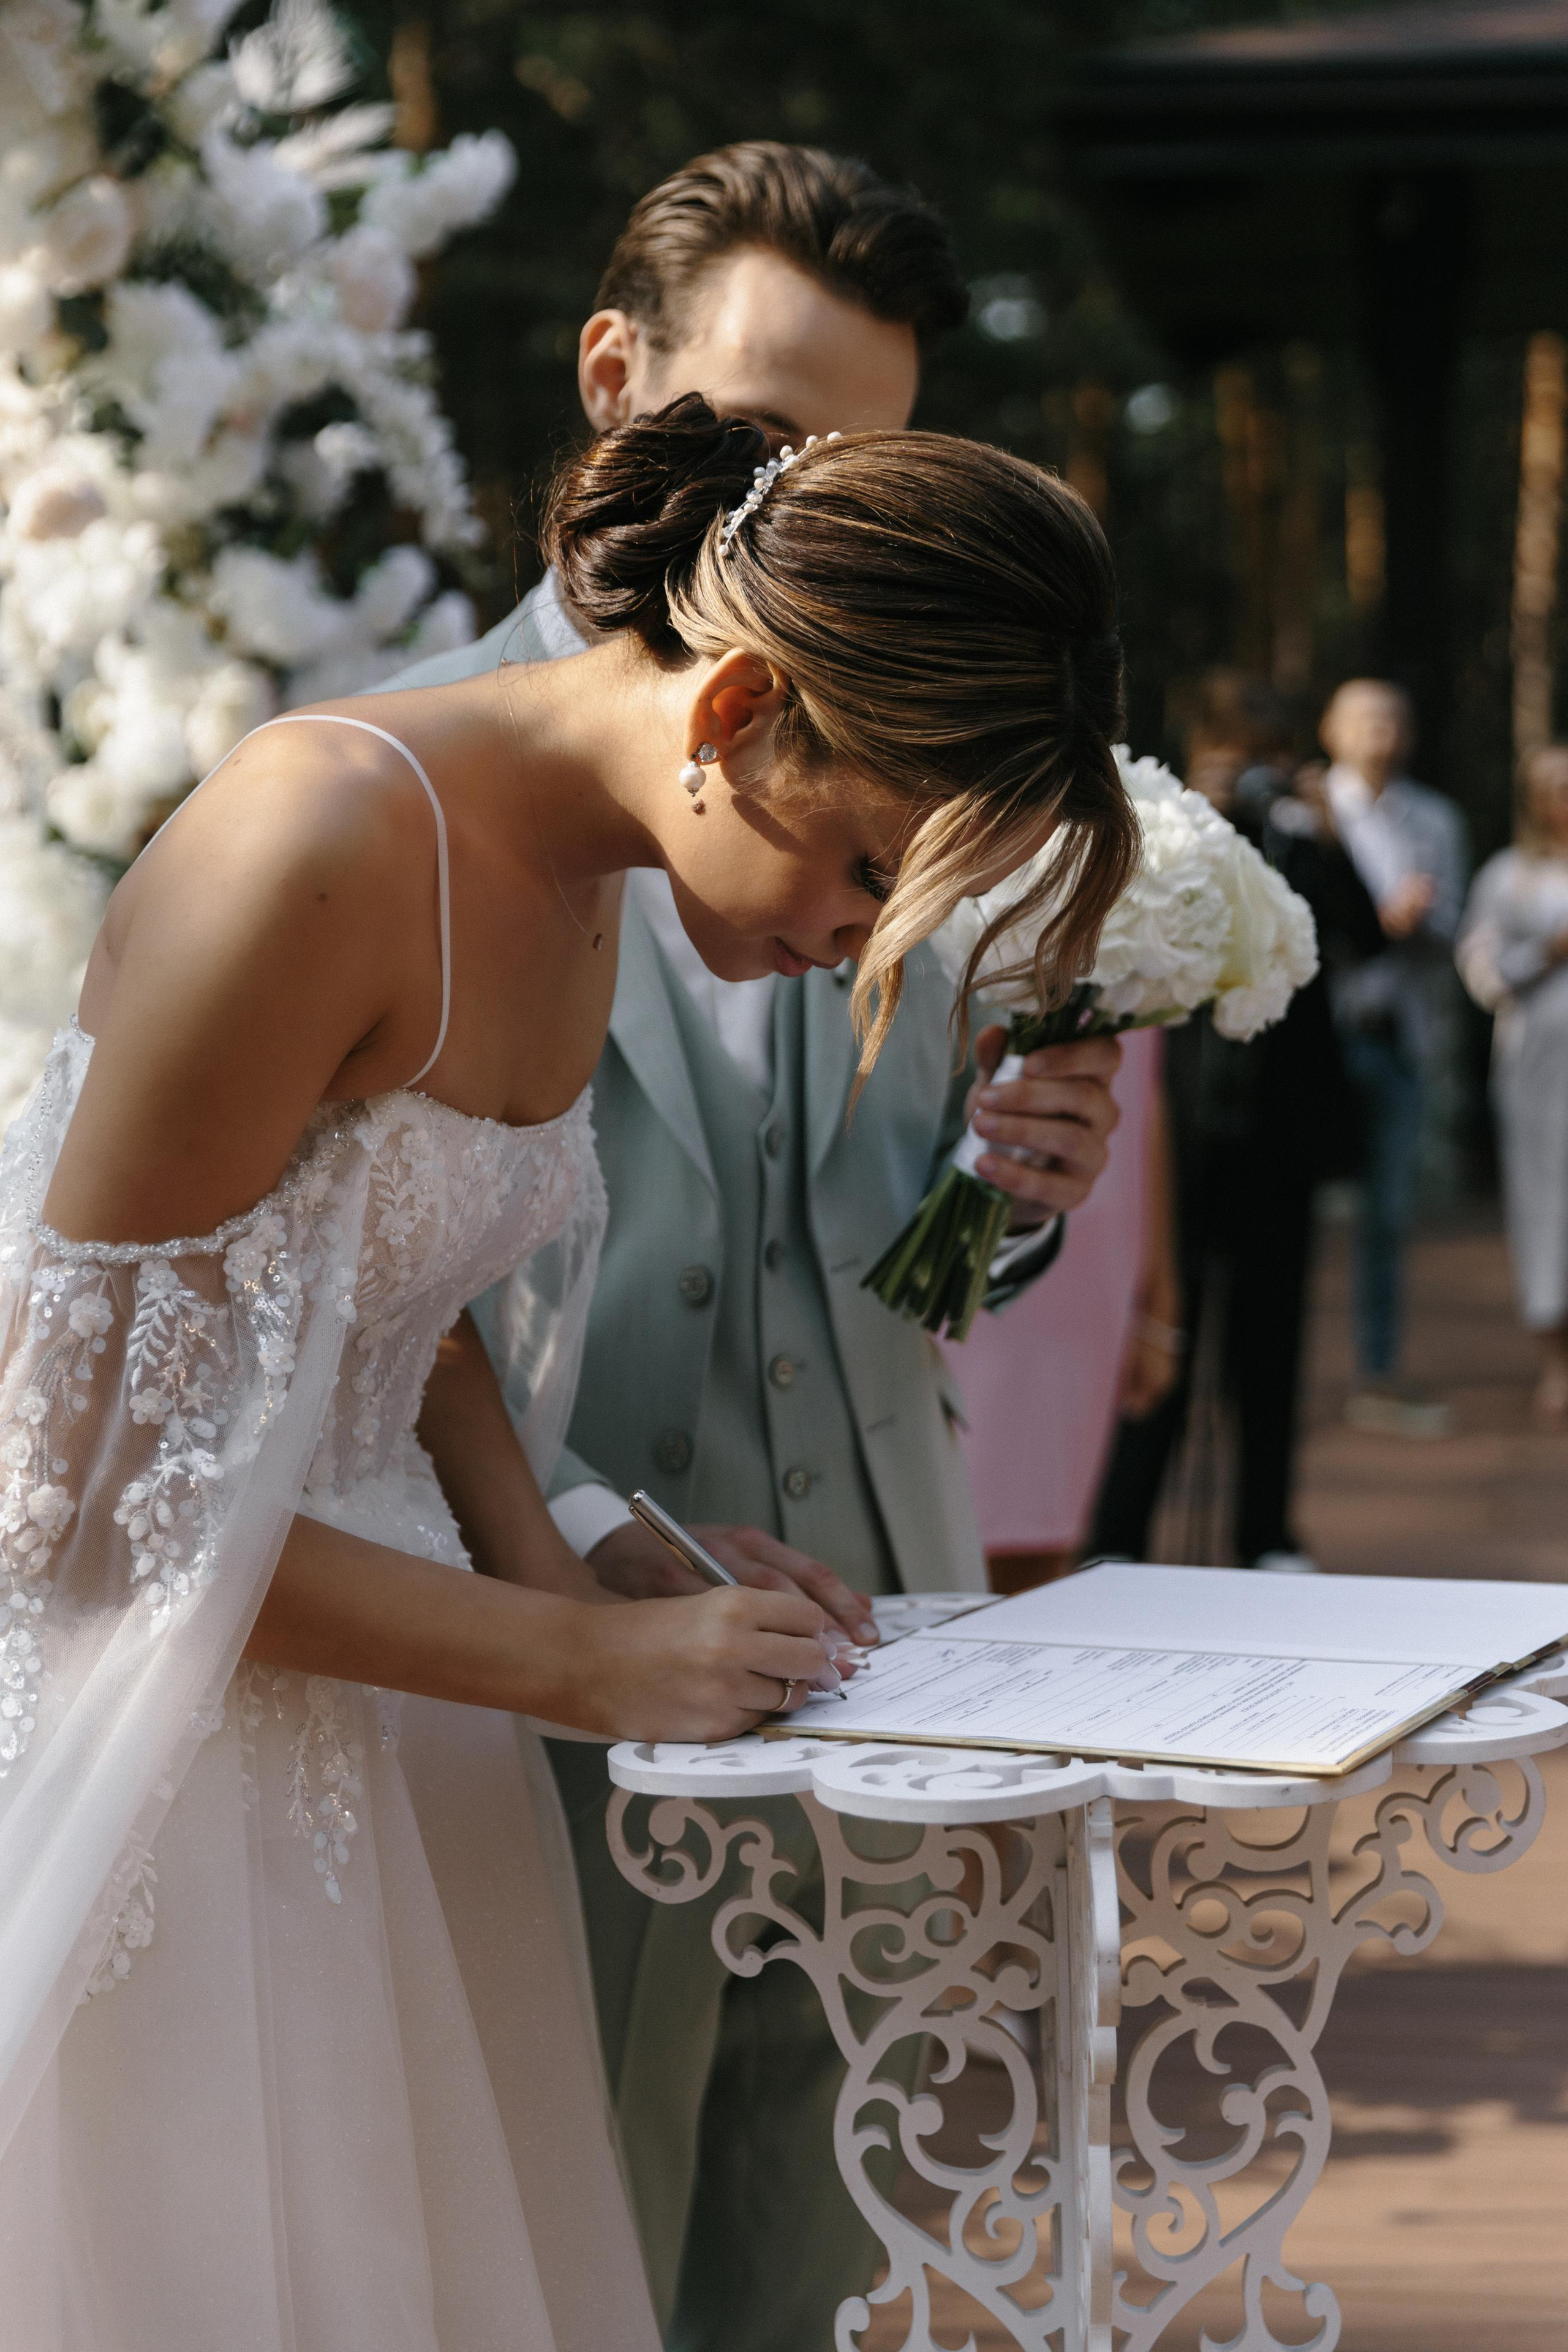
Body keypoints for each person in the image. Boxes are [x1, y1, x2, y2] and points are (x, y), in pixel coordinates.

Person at [0, 393, 1137, 2345]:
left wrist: (576, 1553)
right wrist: (577, 1666)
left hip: (391, 1721)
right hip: (149, 1750)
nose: (864, 945)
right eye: (871, 873)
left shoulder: (591, 868)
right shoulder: (316, 837)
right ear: (739, 710)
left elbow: (376, 1276)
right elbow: (75, 1495)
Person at [388, 143, 1126, 2347]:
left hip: (875, 1654)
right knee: (569, 2256)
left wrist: (1003, 1197)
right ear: (615, 379)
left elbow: (886, 1253)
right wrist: (582, 1535)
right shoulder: (416, 784)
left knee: (832, 2272)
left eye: (864, 464)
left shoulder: (905, 757)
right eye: (773, 436)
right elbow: (358, 1288)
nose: (813, 509)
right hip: (558, 1670)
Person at [1087, 685, 1372, 1570]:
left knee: (1270, 1343)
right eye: (1237, 756)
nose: (1253, 775)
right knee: (1160, 1326)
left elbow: (1365, 939)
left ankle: (1265, 1535)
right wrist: (1199, 813)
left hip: (1278, 1140)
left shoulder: (1301, 845)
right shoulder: (1169, 840)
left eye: (1269, 758)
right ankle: (1119, 1536)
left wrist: (1329, 834)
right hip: (1182, 1131)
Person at [940, 1027, 1174, 1589]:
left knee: (1043, 1538)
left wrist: (1158, 1291)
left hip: (1095, 1239)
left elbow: (1146, 1096)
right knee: (937, 1535)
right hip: (960, 1191)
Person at [1316, 678, 1468, 1439]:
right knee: (1285, 1209)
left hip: (1398, 1039)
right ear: (1331, 730)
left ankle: (1375, 1373)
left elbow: (1455, 928)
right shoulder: (1308, 810)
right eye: (1364, 718)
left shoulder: (1435, 819)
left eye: (1391, 718)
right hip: (1315, 1043)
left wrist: (1417, 920)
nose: (1379, 731)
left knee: (1388, 1213)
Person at [1457, 742, 1568, 1422]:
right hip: (1539, 1072)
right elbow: (1484, 974)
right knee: (1544, 1203)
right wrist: (1546, 953)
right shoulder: (1507, 877)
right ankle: (1556, 1356)